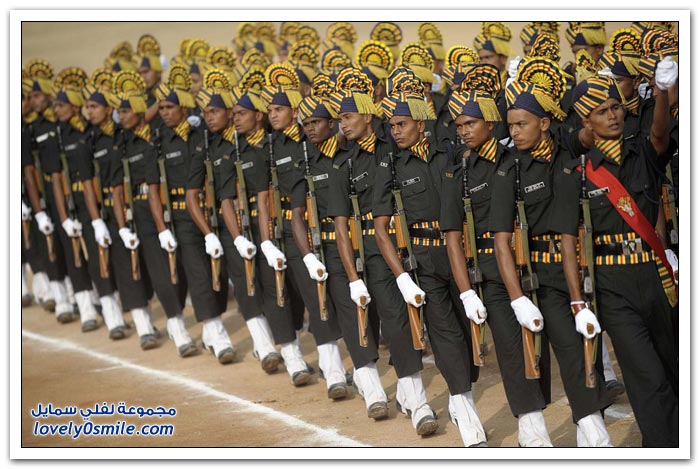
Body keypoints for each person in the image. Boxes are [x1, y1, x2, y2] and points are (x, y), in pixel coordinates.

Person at [552, 68, 679, 447]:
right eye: (601, 111)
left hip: (656, 278)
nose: (612, 115)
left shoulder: (643, 153)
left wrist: (662, 91)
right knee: (647, 378)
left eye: (615, 107)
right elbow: (568, 242)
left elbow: (660, 133)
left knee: (675, 371)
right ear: (585, 121)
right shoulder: (577, 174)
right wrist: (578, 303)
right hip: (612, 288)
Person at [491, 56, 613, 446]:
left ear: (544, 123)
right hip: (531, 277)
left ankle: (592, 432)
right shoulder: (508, 170)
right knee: (528, 357)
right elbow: (500, 240)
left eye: (522, 124)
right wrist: (517, 299)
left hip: (569, 273)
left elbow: (589, 132)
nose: (514, 132)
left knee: (576, 352)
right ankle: (533, 434)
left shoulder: (566, 153)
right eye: (510, 125)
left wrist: (591, 88)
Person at [440, 63, 554, 446]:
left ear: (490, 122)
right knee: (511, 348)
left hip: (532, 265)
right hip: (491, 271)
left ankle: (535, 422)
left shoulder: (515, 159)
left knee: (539, 346)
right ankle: (532, 431)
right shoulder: (458, 173)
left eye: (470, 123)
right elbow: (453, 237)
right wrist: (466, 292)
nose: (463, 131)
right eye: (459, 125)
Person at [373, 70, 487, 445]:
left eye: (402, 124)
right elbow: (381, 227)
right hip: (423, 262)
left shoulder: (450, 154)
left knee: (468, 338)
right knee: (445, 334)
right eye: (391, 125)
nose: (395, 131)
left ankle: (459, 396)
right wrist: (402, 277)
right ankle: (466, 413)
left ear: (421, 123)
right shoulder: (391, 167)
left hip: (460, 255)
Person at [326, 68, 438, 435]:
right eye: (340, 119)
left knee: (402, 323)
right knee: (375, 323)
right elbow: (341, 226)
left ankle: (414, 399)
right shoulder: (342, 164)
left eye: (348, 117)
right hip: (370, 253)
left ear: (367, 115)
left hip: (405, 247)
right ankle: (392, 392)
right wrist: (353, 278)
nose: (342, 125)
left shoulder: (393, 150)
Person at [186, 67, 282, 374]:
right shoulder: (209, 147)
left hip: (261, 220)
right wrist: (210, 233)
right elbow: (195, 192)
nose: (209, 117)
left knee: (270, 282)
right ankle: (264, 345)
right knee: (244, 283)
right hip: (230, 227)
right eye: (205, 113)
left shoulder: (250, 142)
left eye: (214, 111)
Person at [220, 65, 311, 386]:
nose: (235, 119)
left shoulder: (276, 145)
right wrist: (245, 238)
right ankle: (290, 355)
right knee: (272, 291)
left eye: (241, 113)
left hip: (286, 225)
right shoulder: (236, 151)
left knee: (297, 292)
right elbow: (232, 198)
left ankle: (295, 343)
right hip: (257, 231)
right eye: (233, 114)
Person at [261, 63, 348, 392]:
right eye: (270, 110)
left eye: (279, 109)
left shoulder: (308, 141)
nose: (273, 115)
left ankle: (332, 368)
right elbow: (264, 197)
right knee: (282, 296)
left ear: (295, 111)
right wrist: (266, 240)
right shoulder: (270, 146)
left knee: (317, 296)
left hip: (311, 227)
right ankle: (294, 358)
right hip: (282, 228)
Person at [150, 64, 231, 362]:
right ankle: (216, 332)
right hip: (181, 218)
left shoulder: (201, 135)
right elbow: (153, 190)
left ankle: (210, 332)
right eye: (161, 108)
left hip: (210, 213)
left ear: (183, 108)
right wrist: (162, 229)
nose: (164, 113)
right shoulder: (159, 141)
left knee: (217, 274)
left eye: (169, 107)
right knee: (198, 273)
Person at [110, 70, 182, 351]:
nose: (121, 116)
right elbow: (117, 191)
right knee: (133, 274)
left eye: (126, 111)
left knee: (162, 273)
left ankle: (178, 329)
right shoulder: (120, 144)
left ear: (140, 110)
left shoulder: (155, 137)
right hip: (132, 215)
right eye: (119, 111)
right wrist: (122, 228)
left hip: (153, 214)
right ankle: (143, 328)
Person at [53, 66, 126, 336]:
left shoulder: (90, 133)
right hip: (79, 204)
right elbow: (57, 177)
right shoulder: (59, 135)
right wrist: (64, 216)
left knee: (111, 259)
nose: (57, 110)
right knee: (90, 260)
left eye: (62, 105)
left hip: (100, 201)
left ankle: (115, 309)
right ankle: (103, 314)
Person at [24, 59, 80, 323]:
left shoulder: (59, 125)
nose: (33, 101)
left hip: (64, 194)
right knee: (50, 249)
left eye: (37, 95)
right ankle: (60, 300)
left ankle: (79, 295)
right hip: (43, 196)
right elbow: (28, 171)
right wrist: (37, 210)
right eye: (31, 97)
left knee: (69, 245)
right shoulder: (30, 128)